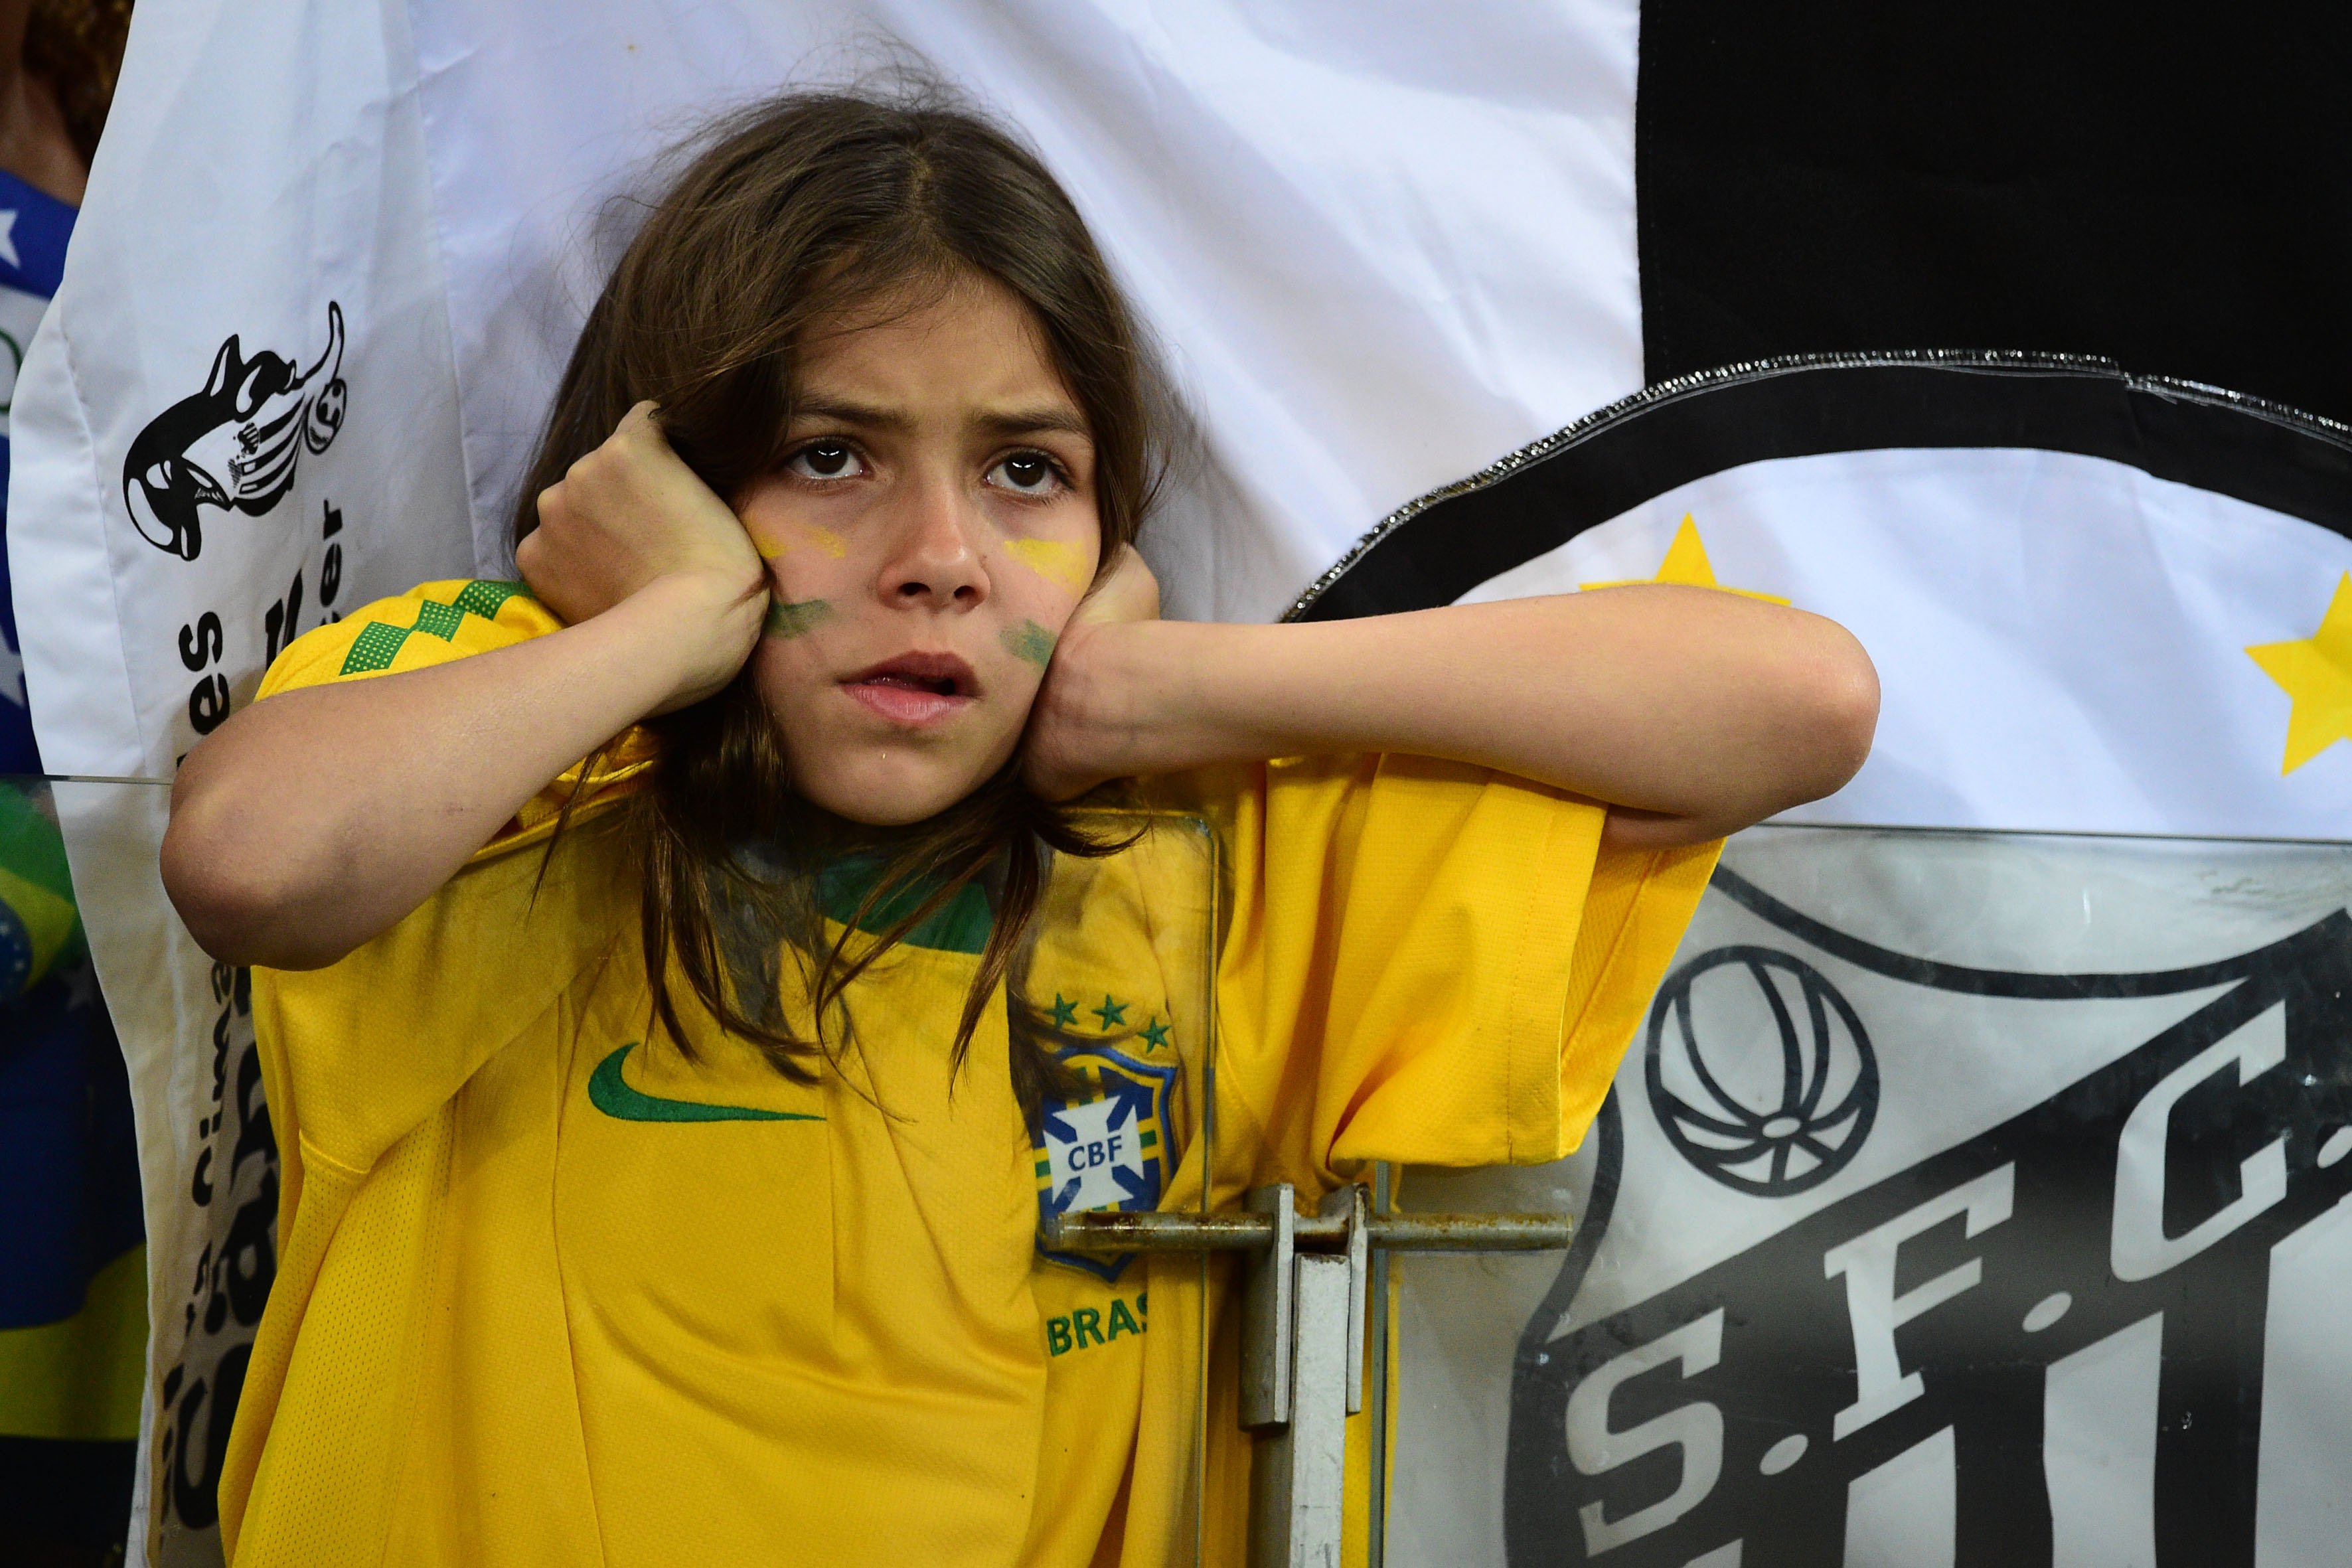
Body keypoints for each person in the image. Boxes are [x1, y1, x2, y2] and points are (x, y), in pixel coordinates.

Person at [160, 88, 1877, 1566]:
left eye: (1026, 471)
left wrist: (1182, 693)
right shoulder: (514, 750)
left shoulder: (1191, 875)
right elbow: (255, 860)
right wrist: (662, 634)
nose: (940, 553)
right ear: (675, 478)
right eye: (832, 457)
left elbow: (1799, 701)